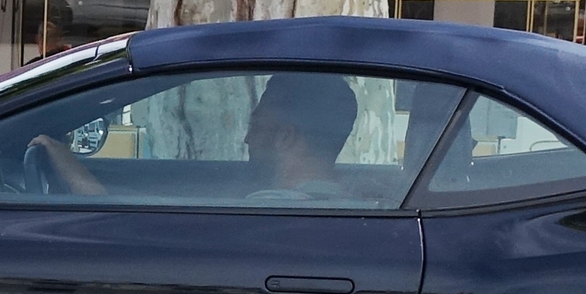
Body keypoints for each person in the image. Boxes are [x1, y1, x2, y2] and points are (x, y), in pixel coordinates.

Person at [31, 73, 362, 201]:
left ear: (286, 137)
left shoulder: (274, 209)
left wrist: (74, 173)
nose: (246, 140)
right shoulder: (349, 200)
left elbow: (143, 230)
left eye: (256, 126)